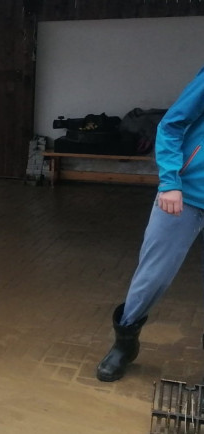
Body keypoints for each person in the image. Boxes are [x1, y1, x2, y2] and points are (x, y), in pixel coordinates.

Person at [96, 65, 204, 382]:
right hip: (185, 194)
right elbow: (170, 126)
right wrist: (170, 182)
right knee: (153, 276)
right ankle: (124, 344)